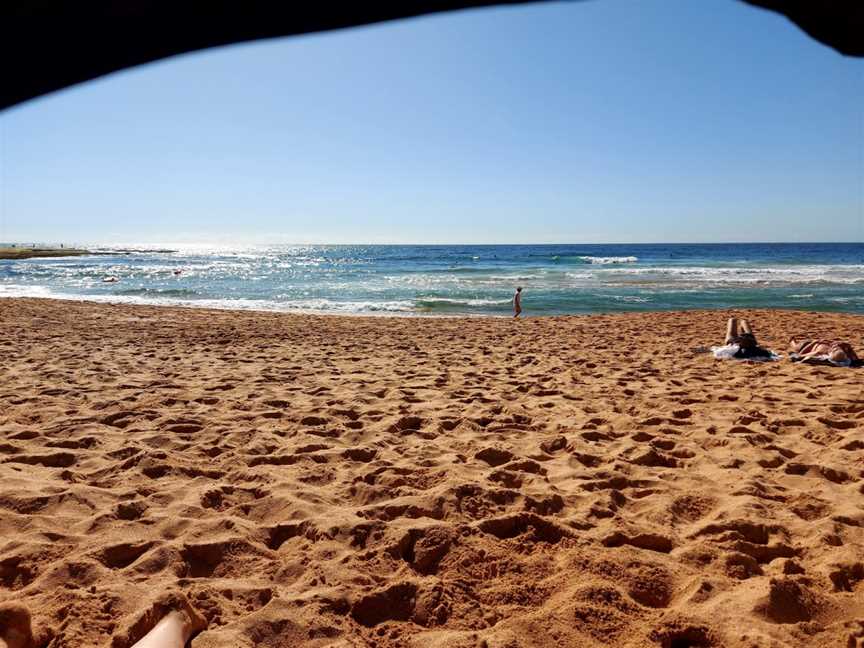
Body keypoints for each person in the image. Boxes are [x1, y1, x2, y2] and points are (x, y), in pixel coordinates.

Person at [788, 335, 860, 366]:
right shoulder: (841, 351)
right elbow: (856, 359)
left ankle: (792, 342)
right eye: (837, 348)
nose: (835, 347)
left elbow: (800, 355)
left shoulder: (820, 353)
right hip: (819, 342)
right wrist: (847, 346)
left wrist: (815, 342)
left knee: (795, 347)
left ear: (830, 354)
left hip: (808, 345)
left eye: (834, 350)